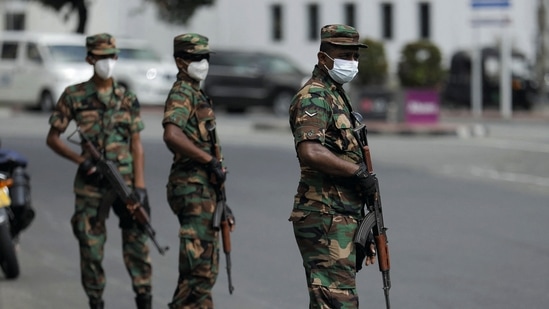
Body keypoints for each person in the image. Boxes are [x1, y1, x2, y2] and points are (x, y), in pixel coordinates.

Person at [45, 33, 152, 309]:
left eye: (112, 56)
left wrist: (140, 186)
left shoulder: (127, 98)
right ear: (90, 58)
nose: (107, 62)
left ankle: (144, 300)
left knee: (138, 246)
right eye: (102, 57)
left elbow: (137, 144)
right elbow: (53, 138)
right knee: (90, 249)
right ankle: (96, 302)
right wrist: (82, 161)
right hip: (91, 186)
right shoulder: (74, 95)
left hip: (125, 183)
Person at [288, 24, 379, 308]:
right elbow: (310, 151)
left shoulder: (336, 94)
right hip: (324, 215)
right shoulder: (314, 96)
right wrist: (357, 172)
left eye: (355, 56)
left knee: (334, 300)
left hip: (341, 215)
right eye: (344, 55)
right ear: (322, 57)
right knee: (337, 301)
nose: (351, 63)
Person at [162, 33, 234, 309]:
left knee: (203, 270)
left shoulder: (195, 92)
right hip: (191, 187)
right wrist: (207, 160)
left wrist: (222, 203)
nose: (203, 63)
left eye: (205, 57)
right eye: (196, 58)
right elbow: (172, 134)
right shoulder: (182, 92)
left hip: (205, 190)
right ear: (181, 62)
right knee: (198, 270)